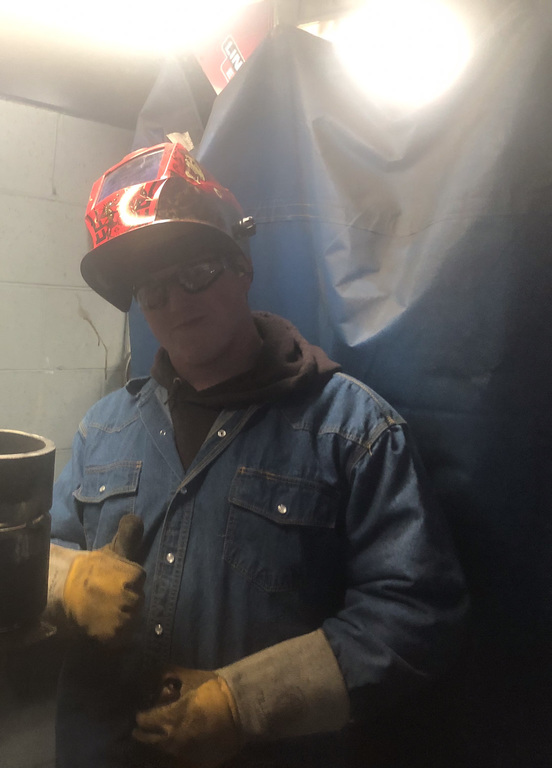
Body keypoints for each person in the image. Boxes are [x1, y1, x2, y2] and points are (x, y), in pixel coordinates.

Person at [43, 142, 468, 767]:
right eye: (152, 289)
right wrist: (63, 580)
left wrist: (244, 703)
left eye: (195, 272)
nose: (176, 301)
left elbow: (415, 613)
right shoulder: (102, 429)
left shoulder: (354, 432)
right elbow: (23, 561)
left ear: (241, 267)